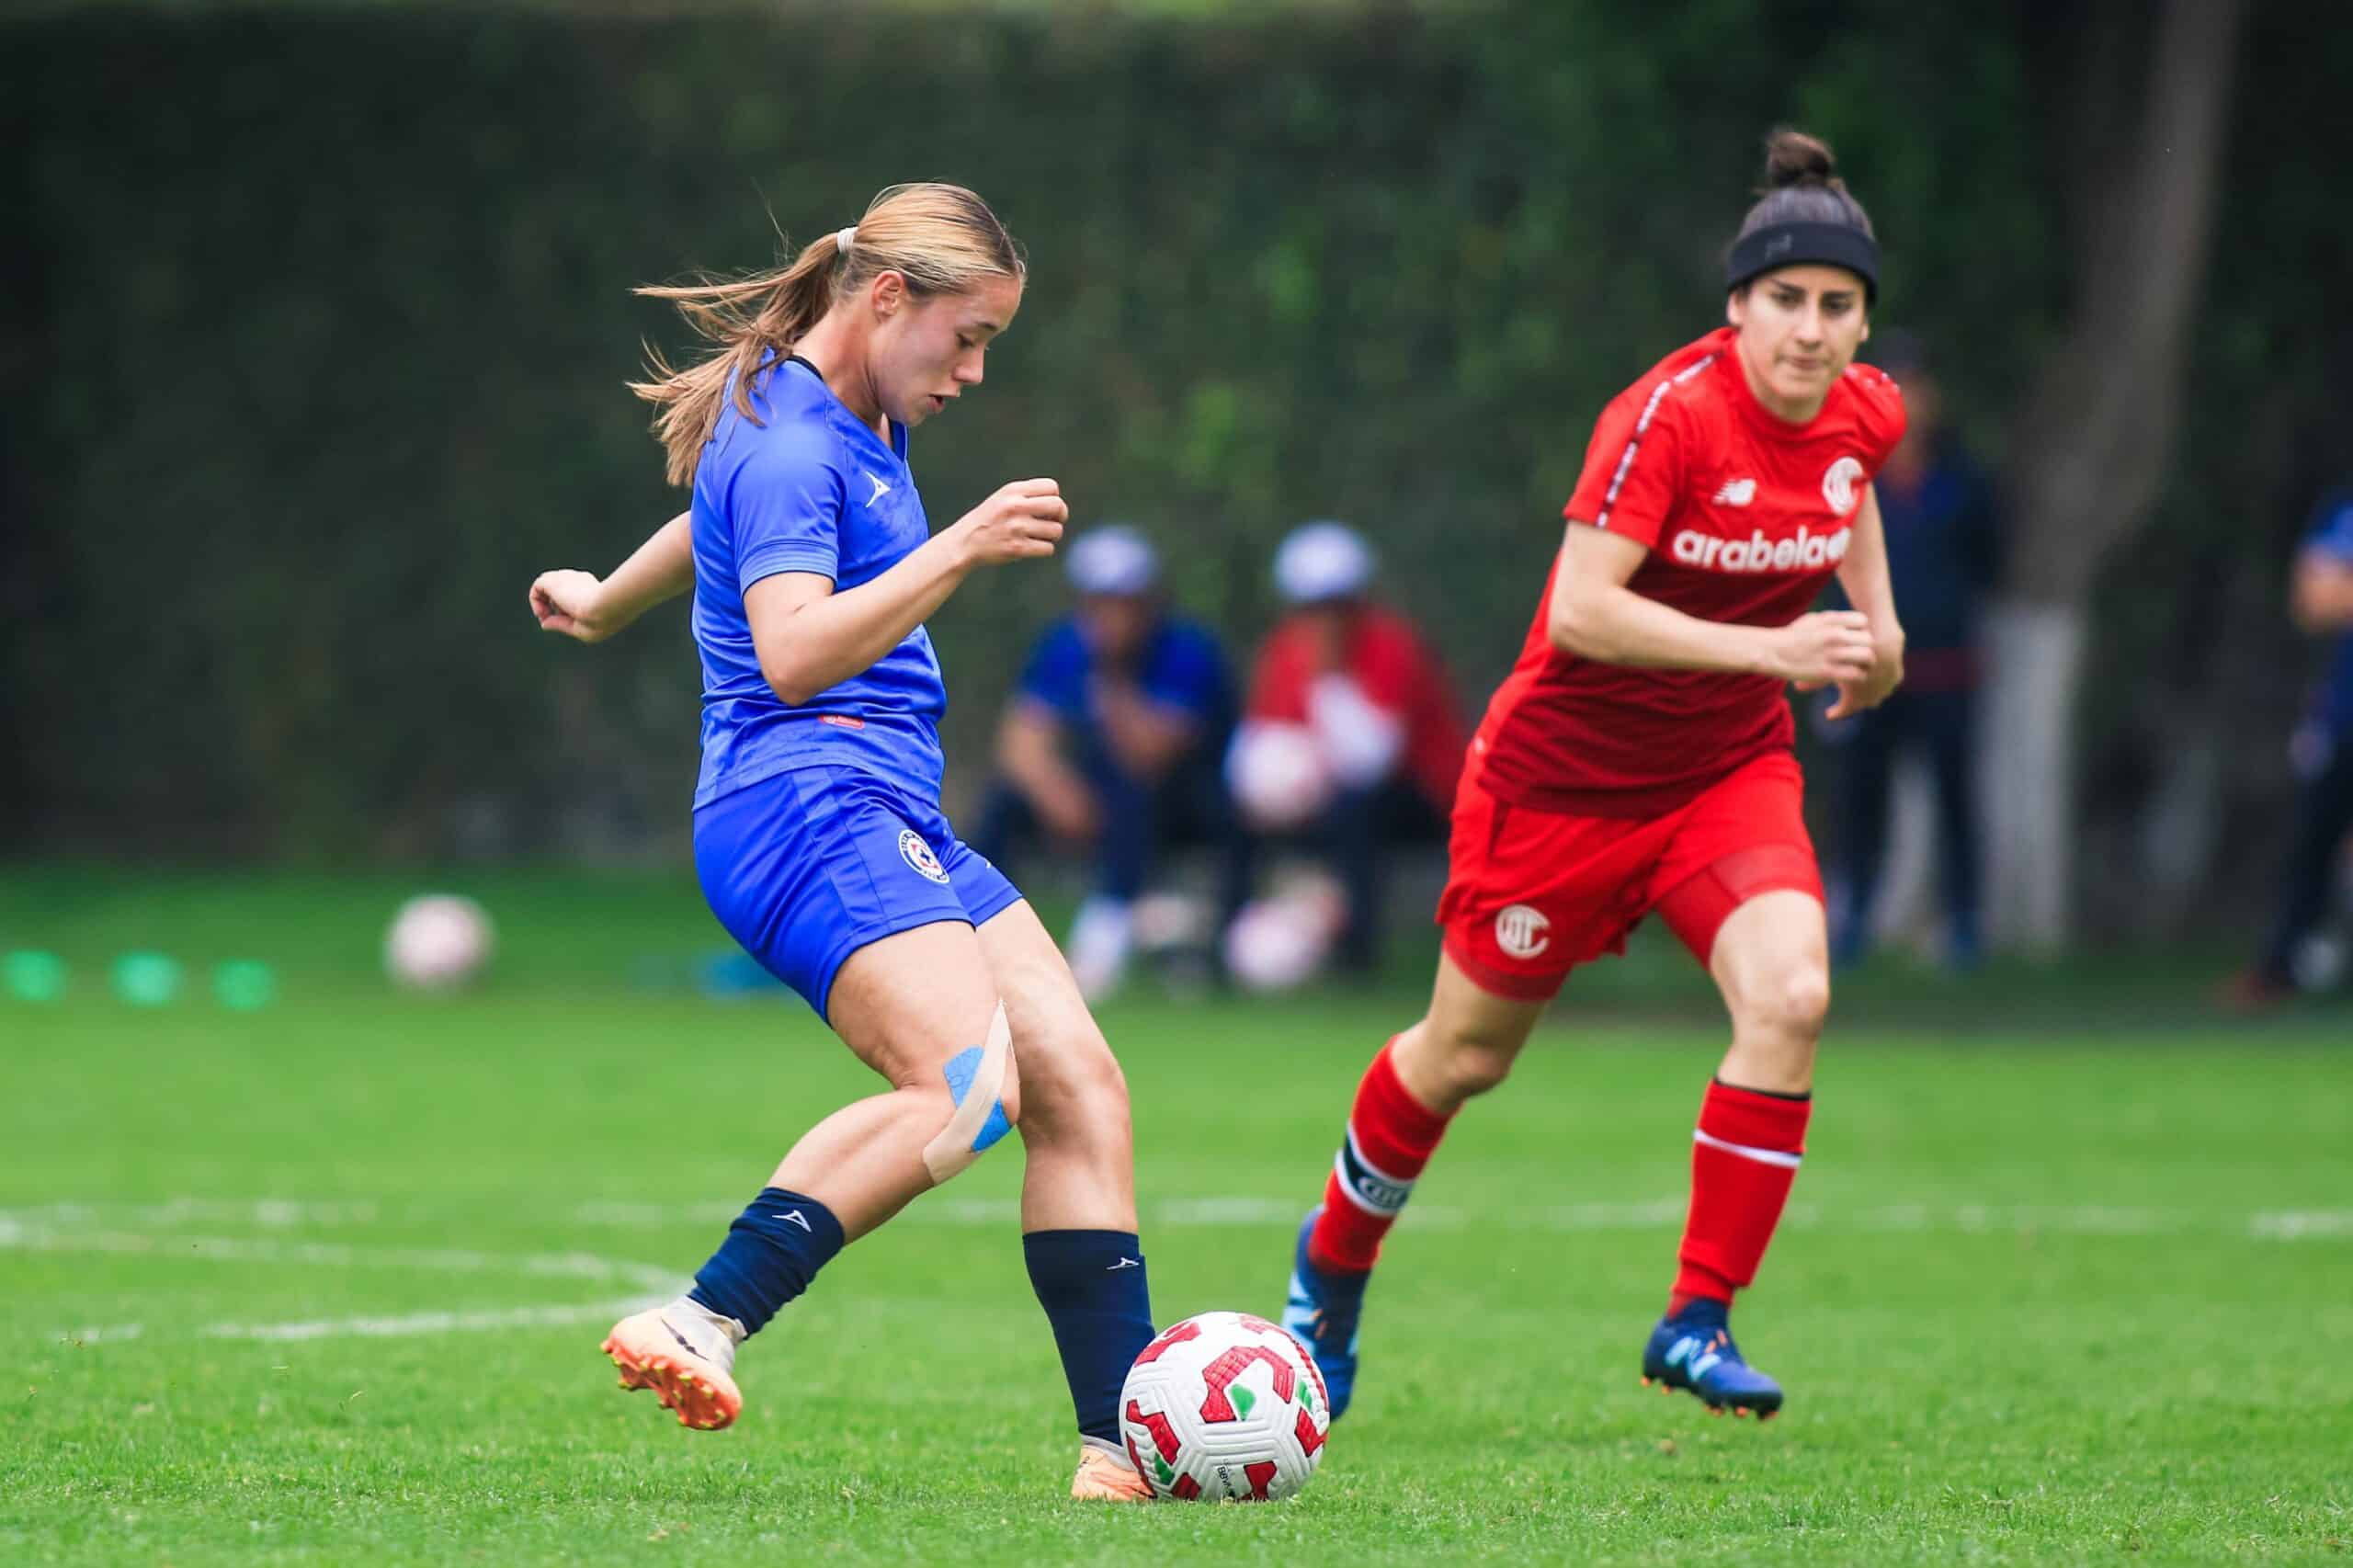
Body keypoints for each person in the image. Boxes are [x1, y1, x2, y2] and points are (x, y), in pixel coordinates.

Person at [526, 183, 1154, 1501]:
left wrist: (602, 599)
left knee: (1080, 1085)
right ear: (886, 300)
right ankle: (704, 1314)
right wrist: (965, 546)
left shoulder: (843, 412)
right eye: (966, 336)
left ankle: (1127, 1449)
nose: (975, 370)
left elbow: (717, 524)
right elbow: (796, 649)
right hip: (802, 802)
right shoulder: (801, 442)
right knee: (965, 1084)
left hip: (883, 807)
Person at [1279, 130, 1907, 1422]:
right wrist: (1777, 643)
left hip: (1726, 771)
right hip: (1559, 788)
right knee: (1462, 1057)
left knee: (1791, 993)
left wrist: (1878, 625)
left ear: (1860, 322)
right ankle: (1331, 1264)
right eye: (1785, 300)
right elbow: (1578, 611)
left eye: (1836, 306)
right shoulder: (1668, 415)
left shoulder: (1868, 407)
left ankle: (1696, 1317)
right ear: (1738, 307)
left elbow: (1846, 490)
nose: (1810, 329)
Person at [971, 524, 1247, 997]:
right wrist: (1054, 790)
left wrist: (1112, 676)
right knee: (1003, 804)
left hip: (1182, 798)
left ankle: (1108, 938)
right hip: (1092, 792)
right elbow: (1021, 740)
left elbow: (1150, 755)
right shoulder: (1064, 647)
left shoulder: (1185, 652)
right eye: (1097, 603)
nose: (1109, 616)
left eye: (1122, 602)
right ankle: (972, 931)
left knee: (1133, 793)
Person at [1824, 333, 1997, 970]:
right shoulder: (1840, 475)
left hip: (1946, 669)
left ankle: (1964, 926)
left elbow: (1987, 564)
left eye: (1914, 388)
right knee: (1860, 798)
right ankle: (1854, 922)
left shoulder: (1965, 479)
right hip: (1865, 672)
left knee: (1956, 797)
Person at [1229, 520, 1466, 975]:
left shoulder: (1391, 647)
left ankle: (1357, 957)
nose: (1324, 619)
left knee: (1358, 809)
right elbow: (1262, 740)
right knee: (1236, 813)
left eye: (1335, 605)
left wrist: (1330, 674)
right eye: (1312, 607)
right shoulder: (1284, 650)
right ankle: (1227, 942)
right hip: (1329, 793)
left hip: (1420, 797)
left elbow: (1372, 763)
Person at [2224, 486, 2353, 1006]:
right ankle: (2278, 968)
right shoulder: (2341, 510)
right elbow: (2313, 601)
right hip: (2343, 713)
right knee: (2312, 843)